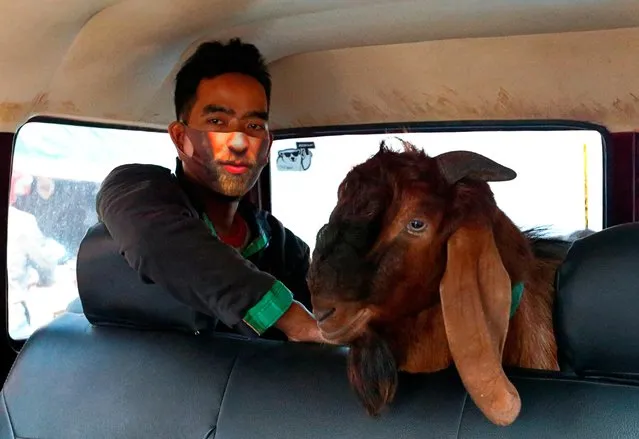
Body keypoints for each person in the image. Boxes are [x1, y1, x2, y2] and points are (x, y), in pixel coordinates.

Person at [96, 38, 325, 343]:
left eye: (254, 127)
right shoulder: (133, 190)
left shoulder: (285, 250)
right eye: (217, 122)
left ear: (267, 146)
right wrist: (288, 316)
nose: (239, 142)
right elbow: (155, 240)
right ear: (180, 138)